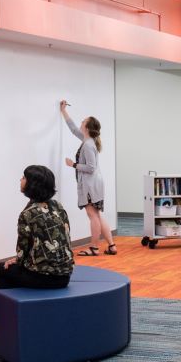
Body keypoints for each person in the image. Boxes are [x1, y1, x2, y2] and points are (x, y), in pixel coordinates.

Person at [0, 164, 74, 331]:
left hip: (46, 279)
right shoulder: (58, 207)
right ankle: (9, 317)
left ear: (32, 184)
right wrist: (19, 259)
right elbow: (65, 238)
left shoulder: (27, 214)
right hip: (65, 276)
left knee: (1, 269)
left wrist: (17, 260)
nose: (21, 180)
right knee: (12, 268)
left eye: (24, 177)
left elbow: (22, 249)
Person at [60, 100, 114, 255]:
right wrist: (64, 111)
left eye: (83, 121)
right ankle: (111, 245)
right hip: (94, 184)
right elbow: (72, 129)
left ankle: (94, 247)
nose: (81, 122)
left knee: (93, 216)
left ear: (88, 127)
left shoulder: (88, 145)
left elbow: (91, 168)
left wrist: (73, 165)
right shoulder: (87, 140)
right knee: (96, 214)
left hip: (91, 185)